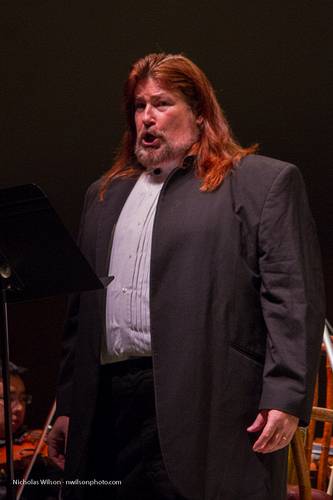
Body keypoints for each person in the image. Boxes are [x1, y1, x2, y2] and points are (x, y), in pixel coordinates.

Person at [48, 53, 325, 500]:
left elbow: (293, 298)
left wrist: (287, 394)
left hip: (211, 401)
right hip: (109, 407)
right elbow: (79, 313)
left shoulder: (260, 183)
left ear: (199, 112)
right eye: (139, 106)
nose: (147, 118)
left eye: (162, 103)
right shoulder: (102, 196)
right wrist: (68, 402)